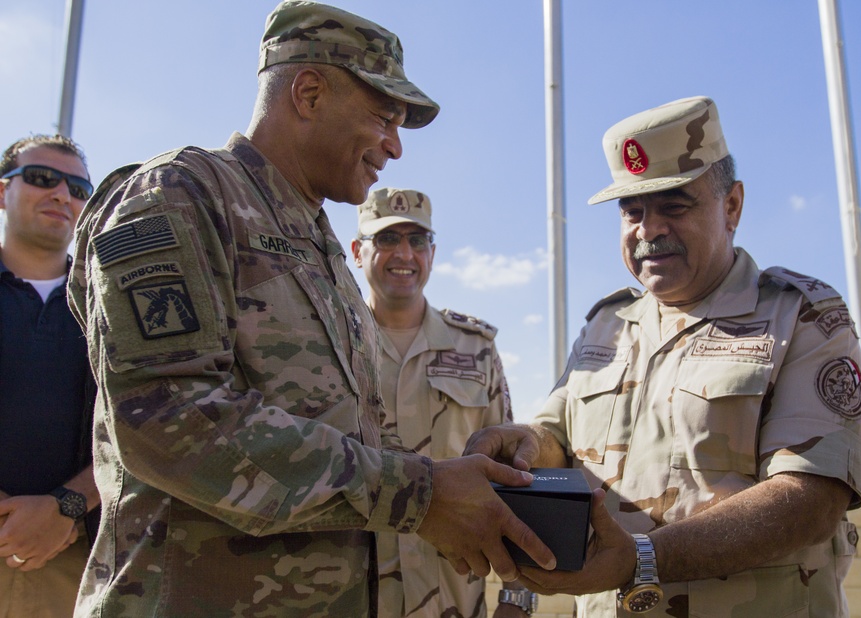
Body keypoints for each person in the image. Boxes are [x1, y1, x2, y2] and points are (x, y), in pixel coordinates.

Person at [67, 3, 554, 616]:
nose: (395, 147)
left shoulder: (320, 245)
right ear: (309, 92)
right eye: (384, 117)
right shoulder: (179, 198)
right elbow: (168, 418)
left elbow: (337, 438)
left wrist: (454, 481)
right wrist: (422, 493)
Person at [467, 96, 861, 617]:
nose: (648, 229)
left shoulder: (803, 317)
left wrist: (639, 559)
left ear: (732, 206)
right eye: (632, 211)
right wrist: (525, 444)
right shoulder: (607, 324)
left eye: (674, 206)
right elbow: (559, 444)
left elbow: (810, 500)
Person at [350, 187, 514, 618]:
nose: (404, 253)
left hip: (456, 597)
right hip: (360, 597)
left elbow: (516, 474)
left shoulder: (474, 347)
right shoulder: (332, 347)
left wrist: (519, 597)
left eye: (417, 240)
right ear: (357, 251)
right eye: (387, 239)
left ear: (432, 253)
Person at [0, 134, 101, 617]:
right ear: (3, 192)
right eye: (42, 179)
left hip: (76, 563)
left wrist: (67, 506)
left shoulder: (113, 307)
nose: (63, 195)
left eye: (79, 188)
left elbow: (148, 421)